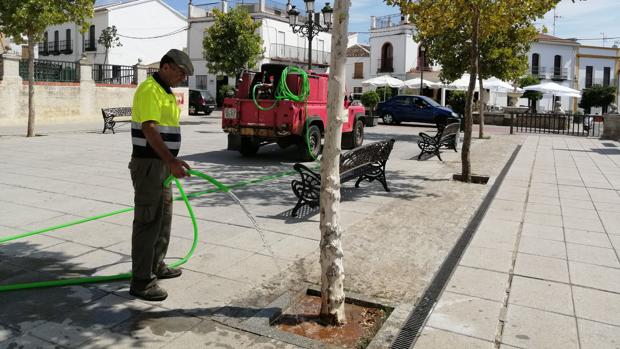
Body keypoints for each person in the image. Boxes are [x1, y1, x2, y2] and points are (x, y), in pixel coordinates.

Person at [128, 49, 193, 301]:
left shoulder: (165, 92)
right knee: (148, 221)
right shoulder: (149, 90)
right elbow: (149, 128)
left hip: (162, 166)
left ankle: (157, 265)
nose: (182, 78)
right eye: (180, 72)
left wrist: (173, 160)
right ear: (166, 67)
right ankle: (142, 281)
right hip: (149, 166)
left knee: (163, 218)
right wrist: (169, 159)